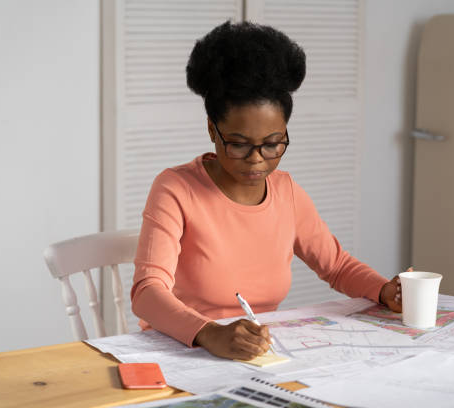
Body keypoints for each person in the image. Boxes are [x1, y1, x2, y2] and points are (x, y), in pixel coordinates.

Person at [131, 21, 403, 362]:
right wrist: (209, 333)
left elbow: (336, 265)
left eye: (273, 144)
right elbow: (146, 292)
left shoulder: (286, 192)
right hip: (179, 351)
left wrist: (383, 290)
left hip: (253, 356)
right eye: (240, 145)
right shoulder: (176, 188)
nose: (257, 160)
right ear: (212, 130)